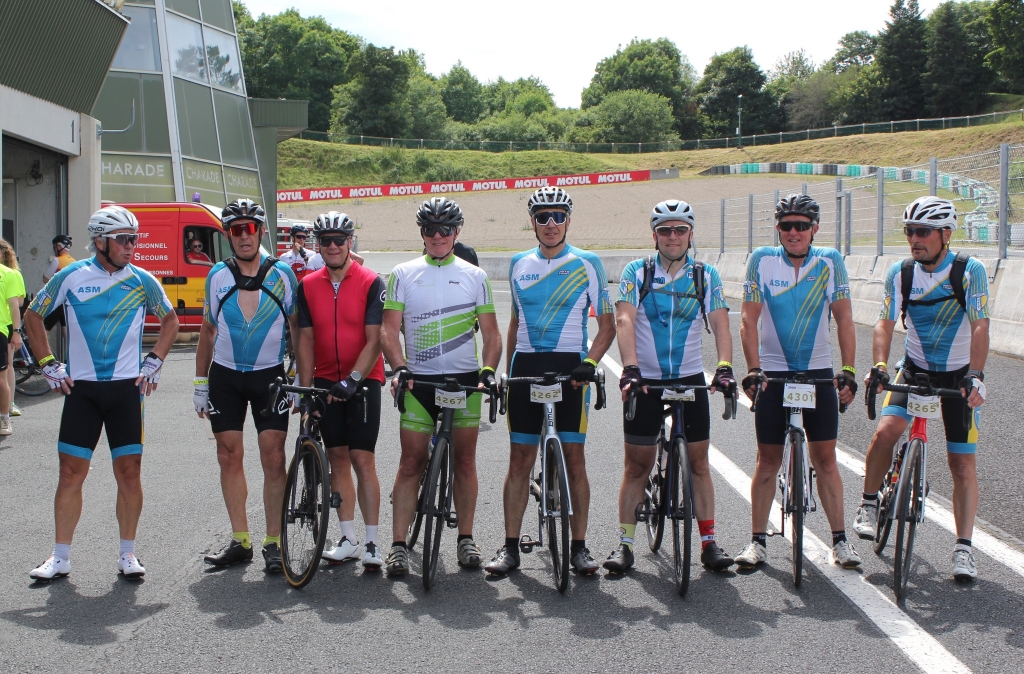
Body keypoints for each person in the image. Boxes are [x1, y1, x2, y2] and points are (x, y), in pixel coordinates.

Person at [25, 205, 178, 581]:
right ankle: (60, 557)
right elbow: (33, 315)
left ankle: (128, 553)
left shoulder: (142, 280)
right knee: (69, 473)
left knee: (129, 473)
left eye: (134, 239)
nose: (131, 246)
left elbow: (170, 320)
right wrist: (47, 362)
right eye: (123, 239)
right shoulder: (71, 276)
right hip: (83, 391)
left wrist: (155, 360)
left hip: (126, 391)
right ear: (100, 242)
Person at [853, 196, 989, 581]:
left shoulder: (969, 271)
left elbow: (980, 325)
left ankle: (963, 548)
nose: (914, 238)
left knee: (961, 463)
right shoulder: (902, 273)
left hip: (959, 376)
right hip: (914, 370)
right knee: (886, 432)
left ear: (946, 234)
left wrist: (976, 375)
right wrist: (880, 366)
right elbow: (884, 323)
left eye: (923, 231)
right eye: (910, 231)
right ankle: (868, 504)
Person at [484, 186, 615, 577]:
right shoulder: (518, 263)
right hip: (526, 366)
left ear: (568, 220)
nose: (551, 224)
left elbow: (607, 325)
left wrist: (590, 362)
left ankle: (580, 547)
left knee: (574, 458)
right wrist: (509, 374)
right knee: (519, 460)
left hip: (571, 368)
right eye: (543, 217)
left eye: (558, 216)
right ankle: (510, 548)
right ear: (533, 222)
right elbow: (514, 323)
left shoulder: (588, 262)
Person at [605, 200, 736, 574]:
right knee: (637, 465)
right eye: (665, 230)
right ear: (655, 235)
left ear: (690, 234)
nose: (673, 236)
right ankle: (624, 545)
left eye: (680, 229)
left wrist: (724, 367)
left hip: (689, 376)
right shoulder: (638, 271)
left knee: (699, 462)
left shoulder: (705, 275)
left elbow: (720, 323)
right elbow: (624, 319)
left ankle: (709, 543)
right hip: (645, 379)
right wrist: (630, 368)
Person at [736, 193, 861, 570]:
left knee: (826, 458)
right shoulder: (762, 260)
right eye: (787, 226)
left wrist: (849, 370)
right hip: (773, 373)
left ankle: (840, 541)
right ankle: (757, 541)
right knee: (767, 460)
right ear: (778, 229)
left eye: (802, 226)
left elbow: (845, 319)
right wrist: (754, 368)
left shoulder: (830, 261)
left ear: (814, 229)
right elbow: (748, 320)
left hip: (818, 372)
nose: (794, 232)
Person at [380, 197, 502, 576]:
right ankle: (398, 546)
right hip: (419, 381)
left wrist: (488, 370)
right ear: (422, 232)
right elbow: (388, 330)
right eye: (430, 229)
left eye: (445, 229)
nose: (437, 236)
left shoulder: (475, 276)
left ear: (456, 232)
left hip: (464, 382)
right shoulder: (402, 273)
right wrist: (399, 367)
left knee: (465, 462)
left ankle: (466, 538)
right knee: (410, 462)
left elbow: (492, 335)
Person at [195, 199, 299, 574]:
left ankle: (274, 542)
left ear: (261, 232)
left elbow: (298, 329)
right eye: (236, 230)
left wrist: (299, 376)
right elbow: (207, 331)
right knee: (228, 455)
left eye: (249, 229)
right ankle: (241, 540)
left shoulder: (283, 274)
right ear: (228, 235)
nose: (243, 236)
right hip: (225, 377)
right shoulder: (217, 275)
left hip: (269, 376)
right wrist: (200, 381)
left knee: (273, 457)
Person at [295, 212, 386, 570]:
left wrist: (353, 379)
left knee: (363, 459)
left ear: (350, 242)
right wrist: (306, 390)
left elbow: (375, 339)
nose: (332, 246)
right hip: (324, 380)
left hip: (363, 380)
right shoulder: (307, 285)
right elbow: (305, 341)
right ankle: (348, 539)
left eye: (339, 239)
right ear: (317, 244)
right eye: (325, 240)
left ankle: (373, 542)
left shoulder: (370, 281)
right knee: (337, 459)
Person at [0, 239, 25, 424]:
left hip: (6, 324)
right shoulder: (11, 273)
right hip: (6, 324)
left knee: (7, 365)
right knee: (7, 365)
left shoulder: (12, 274)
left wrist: (16, 330)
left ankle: (9, 404)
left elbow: (19, 302)